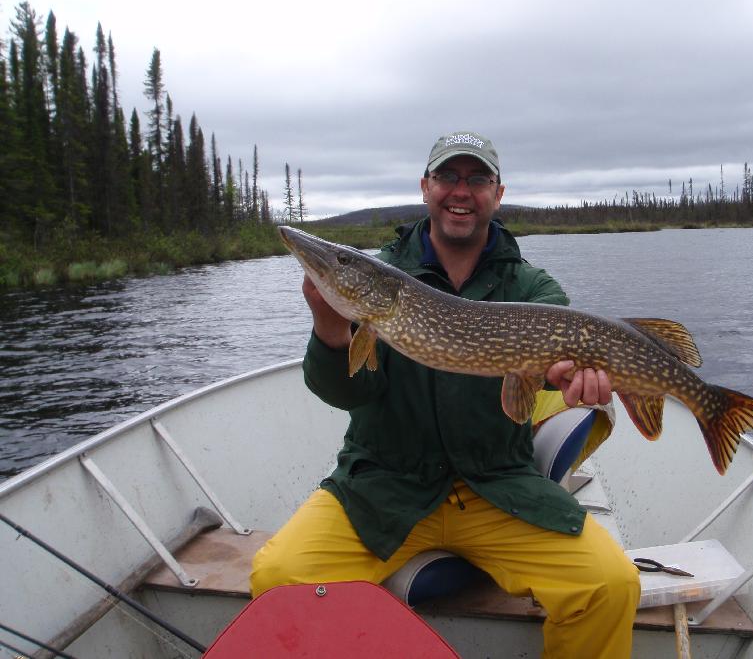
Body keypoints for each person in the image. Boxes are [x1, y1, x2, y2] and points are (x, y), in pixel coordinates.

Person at [251, 131, 640, 657]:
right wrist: (329, 325)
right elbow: (344, 393)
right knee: (279, 579)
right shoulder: (385, 274)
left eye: (476, 179)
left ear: (497, 194)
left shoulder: (531, 289)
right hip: (385, 487)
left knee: (610, 586)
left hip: (498, 489)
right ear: (425, 187)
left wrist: (576, 383)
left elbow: (556, 375)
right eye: (447, 178)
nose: (462, 191)